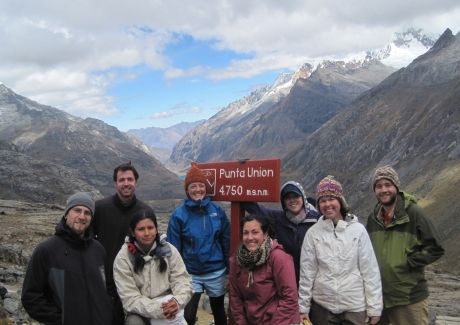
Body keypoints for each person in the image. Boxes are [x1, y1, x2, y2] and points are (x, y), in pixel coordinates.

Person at [298, 176, 382, 325]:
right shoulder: (313, 233)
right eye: (322, 200)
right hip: (323, 306)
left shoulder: (358, 231)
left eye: (331, 199)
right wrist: (303, 308)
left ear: (340, 201)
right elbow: (307, 274)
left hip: (355, 306)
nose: (327, 204)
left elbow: (370, 271)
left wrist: (374, 308)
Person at [366, 165, 445, 325]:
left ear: (396, 187)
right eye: (379, 186)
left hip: (408, 298)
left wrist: (409, 262)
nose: (383, 190)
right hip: (379, 298)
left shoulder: (414, 213)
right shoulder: (373, 218)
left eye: (388, 185)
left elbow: (436, 247)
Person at [21, 192, 112, 325]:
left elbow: (108, 288)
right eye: (77, 210)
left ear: (91, 218)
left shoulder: (98, 249)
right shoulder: (47, 250)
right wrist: (61, 320)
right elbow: (30, 297)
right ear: (66, 214)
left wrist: (108, 313)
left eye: (87, 212)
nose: (82, 216)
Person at [167, 163, 230, 325]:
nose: (198, 190)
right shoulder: (178, 215)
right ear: (187, 189)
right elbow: (173, 249)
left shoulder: (217, 211)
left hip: (216, 271)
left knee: (219, 313)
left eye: (201, 186)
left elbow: (226, 241)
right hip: (190, 274)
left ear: (205, 188)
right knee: (188, 315)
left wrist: (229, 270)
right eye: (193, 186)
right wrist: (176, 276)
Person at [93, 162, 155, 325]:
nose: (126, 183)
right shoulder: (100, 208)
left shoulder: (145, 211)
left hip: (136, 283)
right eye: (122, 180)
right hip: (106, 282)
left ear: (135, 182)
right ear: (116, 183)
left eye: (130, 179)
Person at [113, 209, 193, 325]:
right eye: (141, 229)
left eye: (150, 228)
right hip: (141, 312)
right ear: (133, 232)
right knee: (133, 323)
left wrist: (177, 302)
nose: (146, 233)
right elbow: (129, 298)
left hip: (170, 304)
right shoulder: (123, 258)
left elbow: (182, 280)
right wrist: (159, 309)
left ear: (156, 229)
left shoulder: (169, 250)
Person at [242, 181, 319, 285]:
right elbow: (255, 209)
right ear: (283, 202)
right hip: (287, 278)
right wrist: (241, 183)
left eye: (295, 196)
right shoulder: (278, 218)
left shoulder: (317, 220)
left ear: (303, 197)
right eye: (287, 198)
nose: (292, 200)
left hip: (313, 279)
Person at [228, 214, 301, 325]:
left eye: (255, 232)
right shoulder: (236, 260)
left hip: (280, 321)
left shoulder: (279, 258)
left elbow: (289, 298)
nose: (250, 237)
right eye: (245, 233)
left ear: (265, 234)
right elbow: (235, 297)